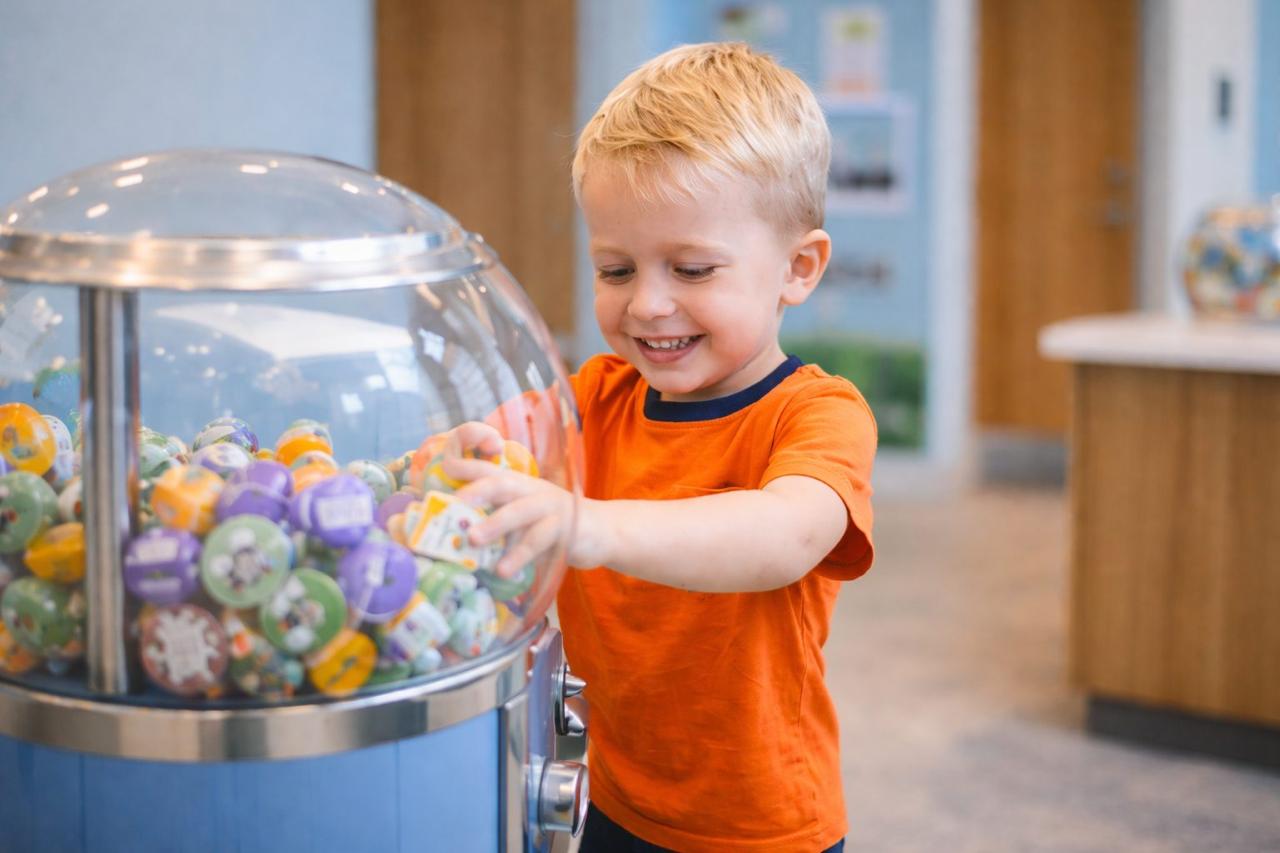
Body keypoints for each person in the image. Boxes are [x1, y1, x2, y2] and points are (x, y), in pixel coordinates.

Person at [443, 42, 876, 852]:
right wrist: (461, 452)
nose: (647, 304)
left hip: (762, 824)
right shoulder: (595, 395)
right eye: (615, 269)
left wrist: (590, 525)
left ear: (799, 267)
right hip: (608, 791)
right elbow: (476, 443)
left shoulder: (818, 413)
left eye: (692, 267)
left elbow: (783, 534)